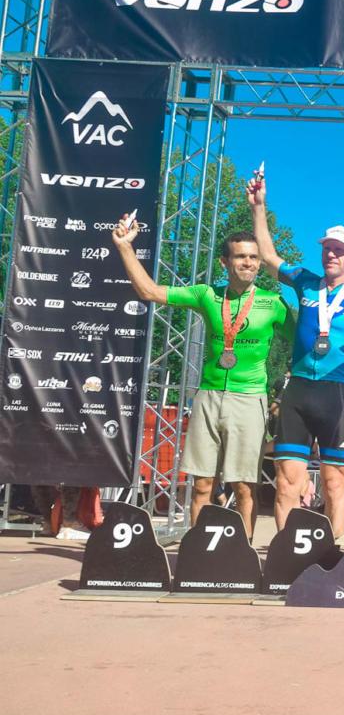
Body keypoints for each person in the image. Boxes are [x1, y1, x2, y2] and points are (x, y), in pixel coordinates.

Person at [113, 219, 289, 538]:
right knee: (202, 485)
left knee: (244, 487)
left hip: (250, 398)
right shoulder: (207, 294)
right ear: (225, 262)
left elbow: (306, 339)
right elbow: (149, 291)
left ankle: (243, 552)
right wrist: (125, 247)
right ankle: (196, 552)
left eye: (253, 257)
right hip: (208, 396)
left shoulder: (273, 303)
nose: (248, 263)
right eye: (240, 256)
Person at [248, 175, 344, 539]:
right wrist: (259, 207)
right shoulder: (306, 282)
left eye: (339, 249)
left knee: (334, 482)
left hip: (339, 395)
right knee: (286, 482)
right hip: (298, 392)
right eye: (327, 248)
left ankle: (330, 552)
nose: (331, 254)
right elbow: (268, 257)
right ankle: (285, 550)